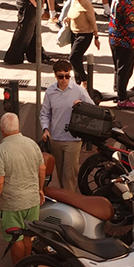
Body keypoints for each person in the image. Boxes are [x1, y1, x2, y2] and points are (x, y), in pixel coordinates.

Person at [0, 112, 47, 267]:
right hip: (32, 200)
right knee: (28, 235)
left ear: (2, 130)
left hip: (11, 203)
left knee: (16, 238)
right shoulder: (31, 144)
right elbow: (42, 169)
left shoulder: (1, 150)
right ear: (18, 126)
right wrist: (40, 189)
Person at [40, 61, 94, 189]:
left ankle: (69, 204)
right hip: (56, 139)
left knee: (69, 175)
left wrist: (81, 105)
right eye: (61, 76)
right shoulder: (50, 92)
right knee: (60, 174)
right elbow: (44, 114)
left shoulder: (78, 90)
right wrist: (45, 129)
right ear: (55, 75)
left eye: (67, 76)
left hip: (73, 139)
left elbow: (93, 109)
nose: (64, 79)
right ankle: (66, 200)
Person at [107, 0, 134, 108]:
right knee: (125, 70)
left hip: (114, 38)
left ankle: (118, 92)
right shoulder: (125, 3)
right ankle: (122, 99)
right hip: (125, 41)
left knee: (118, 68)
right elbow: (130, 27)